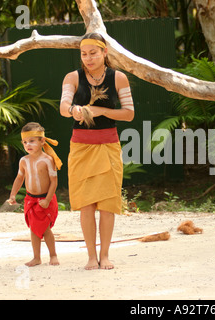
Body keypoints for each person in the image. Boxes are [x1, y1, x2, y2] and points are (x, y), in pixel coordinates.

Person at [59, 33, 135, 270]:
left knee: (108, 204)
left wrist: (101, 111)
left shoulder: (119, 78)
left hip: (108, 146)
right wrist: (74, 111)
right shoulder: (72, 77)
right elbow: (63, 107)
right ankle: (91, 256)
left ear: (104, 53)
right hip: (81, 148)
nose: (88, 58)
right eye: (84, 53)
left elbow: (129, 113)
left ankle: (105, 255)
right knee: (86, 204)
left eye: (93, 53)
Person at [8, 122, 62, 267]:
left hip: (45, 199)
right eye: (25, 142)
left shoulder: (48, 160)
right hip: (30, 199)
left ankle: (53, 255)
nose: (28, 145)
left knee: (45, 229)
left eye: (32, 141)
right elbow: (19, 178)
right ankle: (36, 257)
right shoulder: (23, 161)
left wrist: (47, 200)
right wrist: (13, 194)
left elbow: (54, 182)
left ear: (42, 141)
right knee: (33, 228)